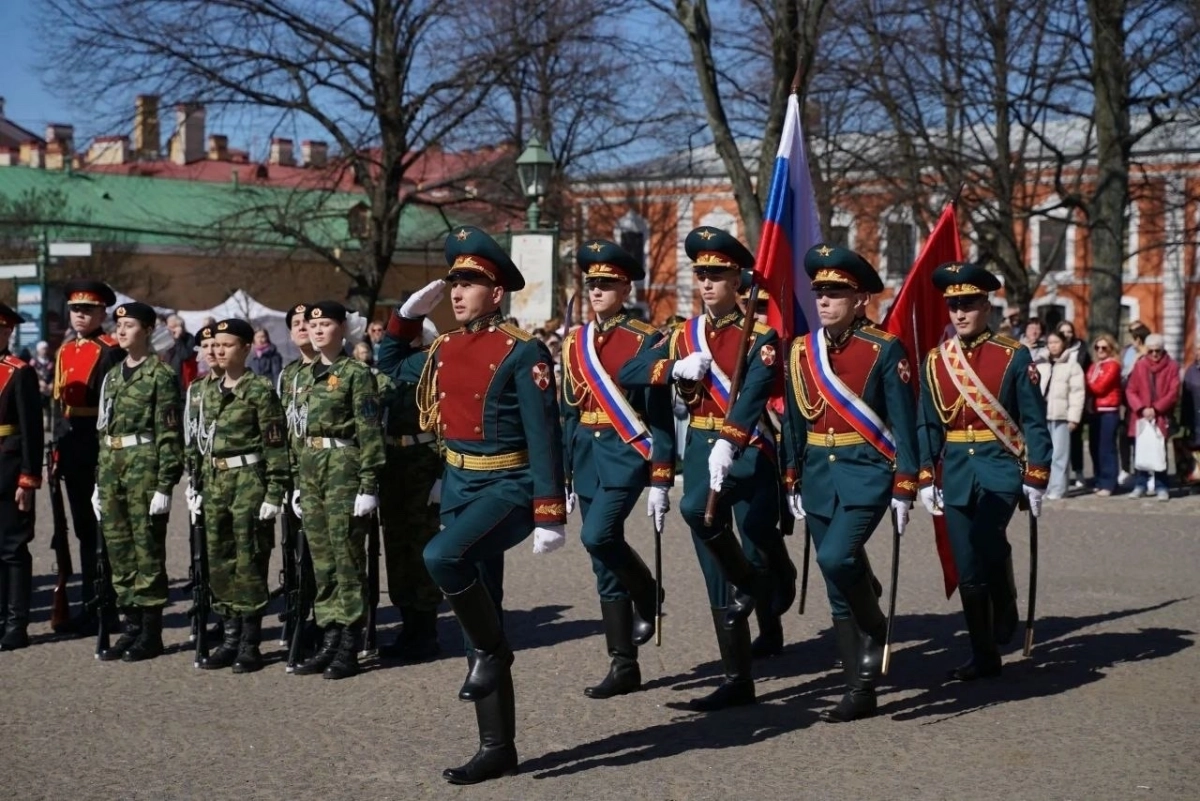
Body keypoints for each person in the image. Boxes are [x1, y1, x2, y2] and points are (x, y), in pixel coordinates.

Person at [378, 225, 566, 785]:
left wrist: (549, 510)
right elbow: (390, 369)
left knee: (440, 560)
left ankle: (492, 652)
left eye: (470, 283)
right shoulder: (442, 348)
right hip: (459, 486)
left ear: (496, 292)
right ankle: (496, 746)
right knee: (475, 610)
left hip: (507, 486)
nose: (457, 293)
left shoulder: (522, 351)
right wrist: (404, 320)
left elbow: (543, 434)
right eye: (453, 283)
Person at [619, 226, 789, 712]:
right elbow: (628, 372)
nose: (708, 283)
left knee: (755, 542)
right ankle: (738, 678)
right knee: (712, 551)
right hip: (700, 452)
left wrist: (731, 442)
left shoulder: (762, 335)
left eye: (718, 275)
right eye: (702, 275)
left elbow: (755, 394)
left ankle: (770, 608)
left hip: (749, 448)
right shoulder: (682, 334)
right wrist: (671, 369)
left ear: (738, 280)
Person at [780, 244, 917, 721]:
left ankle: (876, 626)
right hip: (818, 474)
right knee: (837, 578)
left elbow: (904, 419)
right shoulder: (802, 350)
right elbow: (796, 418)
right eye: (819, 291)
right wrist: (791, 469)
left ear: (860, 299)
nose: (824, 300)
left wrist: (907, 481)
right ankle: (859, 689)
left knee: (836, 555)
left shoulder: (885, 349)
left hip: (866, 472)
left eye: (836, 292)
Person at [917, 262, 1051, 681]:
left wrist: (1037, 473)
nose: (959, 313)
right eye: (953, 305)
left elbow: (1033, 420)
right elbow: (928, 423)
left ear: (987, 306)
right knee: (966, 564)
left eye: (968, 304)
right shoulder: (937, 361)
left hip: (999, 467)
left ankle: (1006, 599)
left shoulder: (1013, 355)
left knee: (986, 538)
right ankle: (983, 653)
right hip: (955, 470)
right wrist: (924, 474)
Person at [560, 239, 675, 699]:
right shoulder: (576, 342)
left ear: (626, 287)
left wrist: (662, 474)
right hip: (587, 454)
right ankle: (623, 663)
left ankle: (648, 592)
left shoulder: (644, 339)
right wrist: (566, 470)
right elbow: (569, 410)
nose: (597, 291)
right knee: (602, 563)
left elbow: (659, 413)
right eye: (592, 284)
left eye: (607, 284)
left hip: (626, 452)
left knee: (598, 536)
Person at [287, 301, 386, 680]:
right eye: (313, 325)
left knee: (347, 558)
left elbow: (369, 431)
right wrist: (297, 479)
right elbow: (298, 431)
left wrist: (368, 484)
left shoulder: (356, 374)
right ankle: (329, 635)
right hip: (312, 470)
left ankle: (349, 642)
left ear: (342, 329)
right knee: (322, 559)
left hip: (343, 468)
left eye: (325, 324)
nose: (317, 330)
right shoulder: (304, 375)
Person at [189, 319, 288, 673]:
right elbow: (199, 440)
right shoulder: (206, 391)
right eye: (214, 345)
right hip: (215, 481)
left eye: (226, 345)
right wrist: (195, 484)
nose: (218, 351)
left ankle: (249, 642)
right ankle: (229, 636)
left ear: (245, 348)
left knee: (249, 559)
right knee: (219, 558)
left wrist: (274, 492)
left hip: (248, 480)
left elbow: (276, 446)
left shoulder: (259, 390)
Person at [93, 301, 185, 662]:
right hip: (113, 467)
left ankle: (150, 631)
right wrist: (99, 483)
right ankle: (129, 626)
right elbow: (105, 431)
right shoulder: (114, 375)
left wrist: (165, 484)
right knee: (119, 549)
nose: (121, 331)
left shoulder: (159, 375)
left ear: (147, 331)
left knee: (147, 549)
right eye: (119, 325)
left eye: (129, 325)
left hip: (143, 466)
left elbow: (168, 434)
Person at [51, 279, 125, 636]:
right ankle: (87, 602)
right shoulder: (65, 350)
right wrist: (54, 446)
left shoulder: (111, 350)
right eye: (75, 309)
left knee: (102, 530)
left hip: (97, 442)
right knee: (81, 528)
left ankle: (105, 604)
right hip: (71, 443)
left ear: (102, 312)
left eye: (88, 310)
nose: (80, 315)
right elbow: (56, 402)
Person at [373, 319, 443, 662]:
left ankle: (426, 631)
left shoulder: (433, 368)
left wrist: (444, 478)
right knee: (396, 545)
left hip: (423, 462)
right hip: (392, 463)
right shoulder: (385, 371)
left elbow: (446, 424)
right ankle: (407, 625)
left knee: (422, 547)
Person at [0, 304, 44, 650]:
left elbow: (31, 431)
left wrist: (28, 479)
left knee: (13, 549)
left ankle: (16, 623)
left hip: (9, 469)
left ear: (8, 333)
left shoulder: (19, 372)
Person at [1125, 333, 1180, 501]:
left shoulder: (1172, 366)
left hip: (1160, 416)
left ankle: (1162, 486)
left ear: (1163, 350)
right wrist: (1141, 408)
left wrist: (1156, 408)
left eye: (1158, 351)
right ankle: (1140, 484)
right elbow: (1131, 390)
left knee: (1159, 452)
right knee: (1141, 451)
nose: (1155, 354)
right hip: (1141, 416)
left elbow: (1173, 392)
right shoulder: (1140, 366)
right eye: (1151, 351)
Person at [1037, 331, 1085, 500]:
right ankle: (1045, 487)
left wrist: (1074, 417)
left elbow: (1077, 393)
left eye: (1056, 342)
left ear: (1063, 344)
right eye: (1050, 342)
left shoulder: (1072, 366)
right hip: (1043, 414)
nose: (1053, 346)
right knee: (1044, 454)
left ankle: (1058, 488)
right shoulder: (1041, 364)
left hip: (1061, 415)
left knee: (1059, 454)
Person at [1086, 334, 1123, 496]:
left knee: (1107, 448)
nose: (1100, 350)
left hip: (1108, 410)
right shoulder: (1094, 366)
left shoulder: (1113, 365)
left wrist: (1086, 384)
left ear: (1111, 349)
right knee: (1095, 447)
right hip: (1094, 410)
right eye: (1097, 347)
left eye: (1104, 347)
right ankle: (1099, 478)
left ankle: (1109, 482)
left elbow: (1100, 387)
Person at [1056, 321, 1090, 487]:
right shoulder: (1054, 349)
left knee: (1075, 439)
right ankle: (1059, 474)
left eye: (1069, 331)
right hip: (1057, 400)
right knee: (1057, 440)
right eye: (1063, 331)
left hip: (1075, 398)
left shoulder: (1081, 349)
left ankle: (1079, 471)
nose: (1067, 334)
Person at [1118, 321, 1152, 482]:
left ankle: (1144, 471)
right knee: (1124, 435)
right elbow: (1123, 373)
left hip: (1144, 400)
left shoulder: (1151, 352)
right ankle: (1126, 468)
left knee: (1143, 436)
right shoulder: (1127, 351)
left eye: (1133, 336)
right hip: (1126, 399)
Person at [163, 314, 198, 389]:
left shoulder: (189, 339)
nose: (170, 330)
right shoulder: (168, 339)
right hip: (169, 383)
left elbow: (185, 356)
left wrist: (178, 339)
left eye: (172, 327)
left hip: (183, 384)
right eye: (169, 327)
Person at [1181, 345, 1200, 483]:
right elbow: (1185, 397)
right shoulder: (1191, 371)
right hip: (1194, 415)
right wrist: (1185, 420)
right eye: (1198, 350)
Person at [32, 340, 53, 415]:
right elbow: (31, 374)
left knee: (50, 408)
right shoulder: (34, 362)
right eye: (43, 349)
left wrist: (52, 383)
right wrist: (39, 381)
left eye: (46, 349)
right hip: (39, 388)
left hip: (49, 388)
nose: (45, 351)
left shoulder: (51, 361)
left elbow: (54, 373)